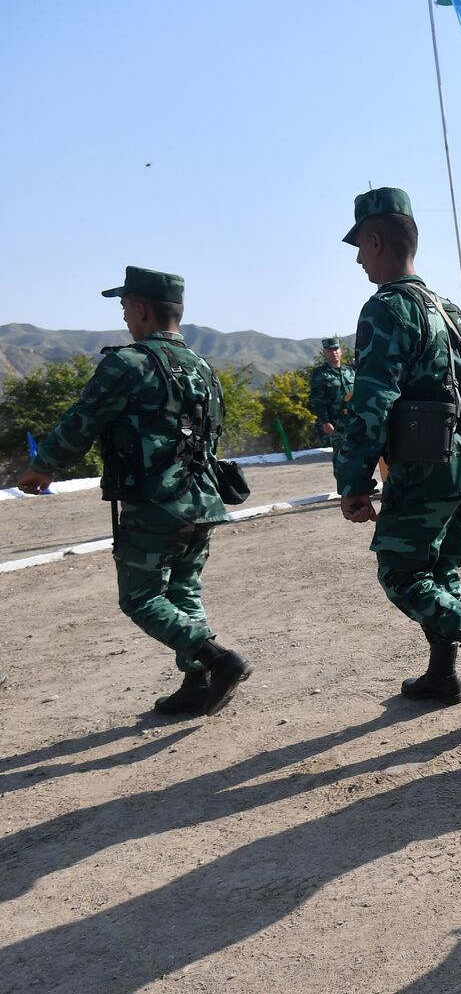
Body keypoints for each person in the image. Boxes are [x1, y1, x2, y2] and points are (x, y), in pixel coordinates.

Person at [16, 267, 252, 718]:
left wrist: (43, 466)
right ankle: (196, 684)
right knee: (183, 590)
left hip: (156, 503)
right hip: (203, 499)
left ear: (141, 308)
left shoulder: (128, 364)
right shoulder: (203, 366)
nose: (124, 316)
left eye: (125, 307)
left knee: (140, 598)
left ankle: (219, 660)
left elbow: (83, 419)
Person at [336, 187, 461, 711]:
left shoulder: (386, 308)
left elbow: (372, 402)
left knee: (401, 575)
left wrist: (354, 481)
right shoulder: (444, 309)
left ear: (377, 241)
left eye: (360, 246)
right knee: (441, 571)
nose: (358, 259)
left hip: (427, 465)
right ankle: (443, 675)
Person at [308, 336, 356, 475]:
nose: (334, 352)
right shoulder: (320, 374)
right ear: (325, 352)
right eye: (329, 350)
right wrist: (325, 421)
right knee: (340, 456)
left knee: (357, 454)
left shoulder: (350, 372)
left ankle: (358, 484)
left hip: (354, 420)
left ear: (341, 351)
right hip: (336, 422)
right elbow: (316, 400)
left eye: (336, 349)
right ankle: (344, 484)